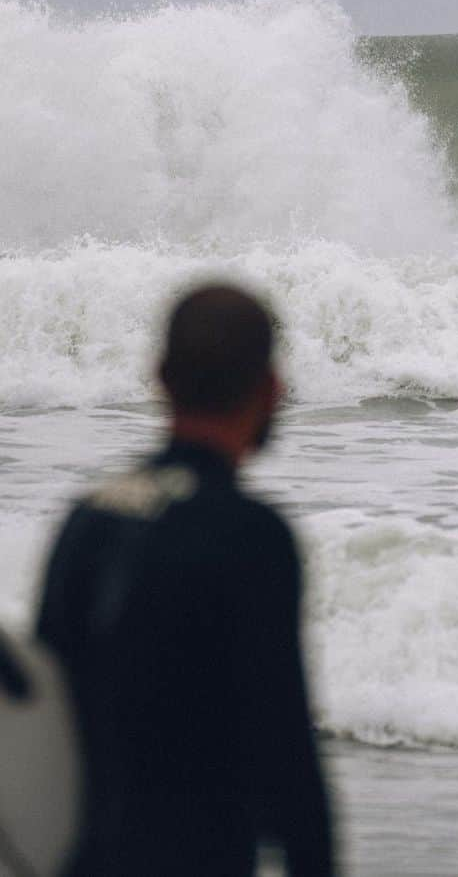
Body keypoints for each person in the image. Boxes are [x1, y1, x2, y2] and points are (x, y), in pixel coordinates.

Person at [36, 284, 335, 877]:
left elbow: (43, 728)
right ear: (271, 389)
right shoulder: (250, 535)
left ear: (161, 378)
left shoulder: (89, 516)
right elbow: (286, 752)